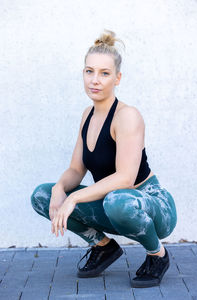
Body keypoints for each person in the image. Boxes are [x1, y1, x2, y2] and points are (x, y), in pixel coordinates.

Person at [31, 30, 177, 288]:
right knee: (42, 195)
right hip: (113, 204)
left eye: (104, 73)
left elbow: (125, 178)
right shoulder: (87, 114)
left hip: (152, 206)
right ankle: (104, 247)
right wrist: (58, 189)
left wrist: (74, 197)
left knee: (116, 199)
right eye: (89, 71)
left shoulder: (127, 115)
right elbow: (76, 169)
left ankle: (158, 255)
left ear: (117, 78)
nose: (94, 80)